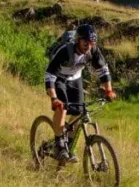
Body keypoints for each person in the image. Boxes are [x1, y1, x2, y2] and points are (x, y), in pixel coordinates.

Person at [44, 23, 116, 162]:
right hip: (59, 79)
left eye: (91, 43)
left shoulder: (93, 51)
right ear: (78, 40)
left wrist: (108, 90)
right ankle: (59, 144)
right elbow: (50, 75)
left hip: (75, 79)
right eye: (85, 42)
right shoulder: (65, 51)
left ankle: (69, 144)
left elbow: (103, 71)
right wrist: (54, 98)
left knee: (79, 112)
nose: (88, 45)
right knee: (62, 108)